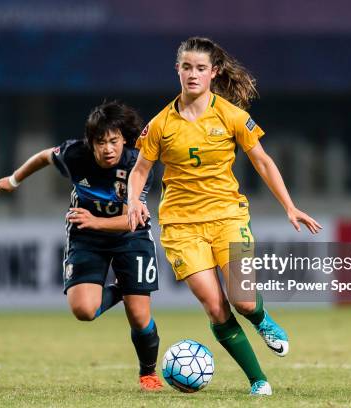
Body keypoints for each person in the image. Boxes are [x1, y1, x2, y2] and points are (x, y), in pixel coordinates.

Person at [127, 37, 322, 396]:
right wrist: (133, 200)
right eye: (186, 67)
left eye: (201, 68)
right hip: (181, 227)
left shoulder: (231, 116)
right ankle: (258, 380)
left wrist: (289, 206)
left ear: (214, 72)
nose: (193, 74)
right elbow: (140, 169)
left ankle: (261, 319)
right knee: (216, 308)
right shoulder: (159, 124)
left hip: (227, 217)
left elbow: (262, 160)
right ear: (178, 70)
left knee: (243, 300)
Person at [0, 101, 163, 391]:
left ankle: (148, 373)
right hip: (86, 237)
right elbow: (45, 156)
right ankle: (125, 289)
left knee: (139, 315)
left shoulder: (139, 163)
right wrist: (13, 179)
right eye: (101, 142)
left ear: (124, 140)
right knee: (84, 310)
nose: (108, 149)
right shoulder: (75, 154)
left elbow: (132, 220)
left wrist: (95, 221)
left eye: (114, 141)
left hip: (129, 236)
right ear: (90, 142)